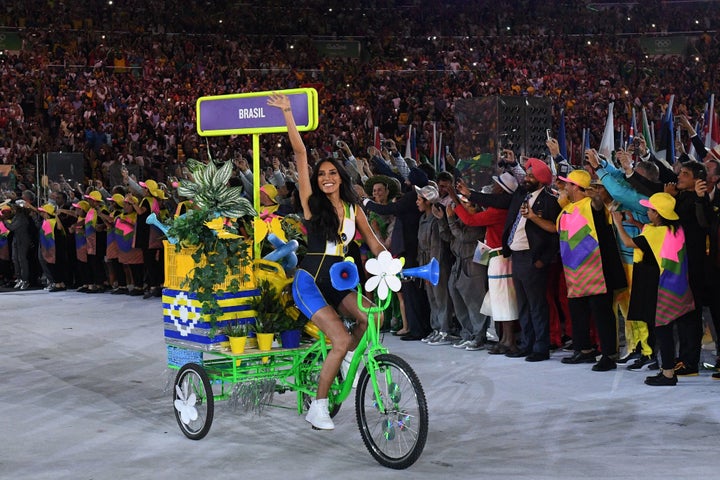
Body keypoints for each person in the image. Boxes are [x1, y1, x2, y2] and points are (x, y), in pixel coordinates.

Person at [267, 92, 387, 431]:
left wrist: (394, 265)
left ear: (341, 177)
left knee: (372, 320)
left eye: (332, 172)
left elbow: (375, 244)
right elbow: (301, 154)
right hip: (309, 283)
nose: (327, 177)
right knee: (337, 337)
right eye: (322, 174)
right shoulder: (311, 204)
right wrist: (288, 113)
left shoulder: (354, 209)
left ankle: (348, 357)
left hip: (338, 282)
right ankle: (318, 406)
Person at [612, 193, 695, 386]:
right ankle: (667, 369)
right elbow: (651, 238)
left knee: (662, 331)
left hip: (661, 287)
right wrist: (636, 223)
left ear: (657, 214)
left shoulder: (654, 233)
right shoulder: (676, 229)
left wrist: (619, 223)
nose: (647, 212)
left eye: (650, 210)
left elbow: (629, 242)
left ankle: (667, 374)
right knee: (669, 330)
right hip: (678, 288)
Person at [501, 158, 561, 361]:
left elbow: (555, 234)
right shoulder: (522, 196)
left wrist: (543, 261)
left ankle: (541, 347)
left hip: (533, 259)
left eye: (530, 176)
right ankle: (527, 344)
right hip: (517, 257)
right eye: (526, 175)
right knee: (523, 305)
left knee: (536, 305)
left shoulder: (550, 201)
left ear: (541, 179)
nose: (526, 178)